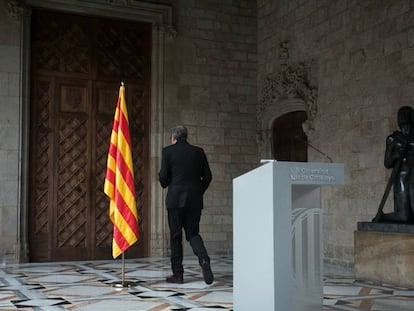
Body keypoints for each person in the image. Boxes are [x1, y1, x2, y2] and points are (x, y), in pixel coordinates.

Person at [159, 125, 214, 284]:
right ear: (186, 136)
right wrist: (198, 191)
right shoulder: (198, 152)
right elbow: (208, 177)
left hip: (175, 200)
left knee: (176, 237)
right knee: (193, 234)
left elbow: (163, 178)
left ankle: (178, 275)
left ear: (173, 137)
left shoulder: (168, 151)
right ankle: (204, 260)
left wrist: (165, 179)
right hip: (194, 200)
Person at [373, 106, 414, 223]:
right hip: (401, 177)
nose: (403, 118)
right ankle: (383, 217)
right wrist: (396, 154)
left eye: (406, 115)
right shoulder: (393, 139)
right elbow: (387, 163)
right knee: (404, 217)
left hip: (413, 176)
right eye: (401, 115)